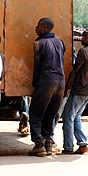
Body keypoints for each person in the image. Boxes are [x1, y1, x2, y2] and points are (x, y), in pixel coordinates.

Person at [29, 18, 65, 157]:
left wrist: (35, 84)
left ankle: (38, 144)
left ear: (44, 29)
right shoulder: (60, 42)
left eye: (38, 26)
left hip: (46, 81)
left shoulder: (39, 43)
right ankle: (48, 143)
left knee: (36, 113)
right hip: (60, 82)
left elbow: (37, 67)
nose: (35, 28)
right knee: (50, 114)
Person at [61, 27, 88, 154]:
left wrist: (66, 88)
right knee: (76, 117)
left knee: (67, 118)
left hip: (79, 91)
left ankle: (68, 147)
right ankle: (82, 141)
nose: (82, 38)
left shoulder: (83, 52)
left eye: (85, 36)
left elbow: (74, 72)